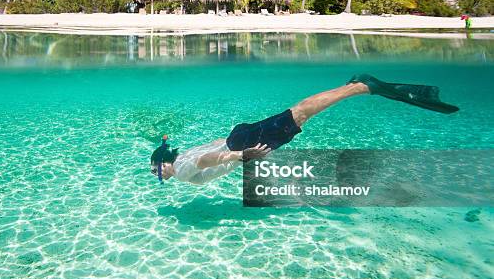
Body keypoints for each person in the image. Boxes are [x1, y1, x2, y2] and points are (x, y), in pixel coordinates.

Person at [150, 74, 459, 186]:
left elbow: (207, 161)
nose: (160, 175)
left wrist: (241, 153)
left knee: (299, 114)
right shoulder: (181, 158)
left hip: (241, 145)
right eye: (158, 175)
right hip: (236, 138)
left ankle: (362, 86)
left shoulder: (182, 167)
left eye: (157, 171)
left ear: (164, 162)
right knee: (298, 115)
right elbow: (212, 147)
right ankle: (354, 86)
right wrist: (236, 144)